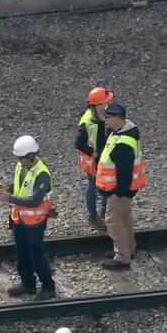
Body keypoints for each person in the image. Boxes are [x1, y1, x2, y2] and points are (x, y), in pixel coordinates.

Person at [0, 135, 56, 301]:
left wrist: (9, 198)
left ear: (31, 156)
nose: (19, 162)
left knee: (37, 255)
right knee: (22, 254)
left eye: (21, 158)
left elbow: (34, 200)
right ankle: (28, 284)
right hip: (20, 219)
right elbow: (21, 188)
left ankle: (48, 287)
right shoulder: (23, 167)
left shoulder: (42, 174)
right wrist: (8, 188)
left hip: (35, 222)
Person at [96, 103, 148, 270]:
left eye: (108, 117)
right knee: (125, 218)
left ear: (119, 119)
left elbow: (124, 172)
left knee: (113, 221)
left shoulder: (123, 143)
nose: (105, 121)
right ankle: (129, 248)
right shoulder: (120, 133)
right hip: (126, 188)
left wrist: (118, 192)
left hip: (120, 189)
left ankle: (122, 257)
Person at [76, 86, 113, 229]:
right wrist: (93, 152)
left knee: (107, 186)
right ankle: (93, 216)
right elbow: (79, 143)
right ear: (97, 105)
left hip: (104, 158)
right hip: (94, 162)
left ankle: (104, 213)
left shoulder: (104, 115)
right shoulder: (87, 122)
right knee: (94, 186)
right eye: (106, 101)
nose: (109, 103)